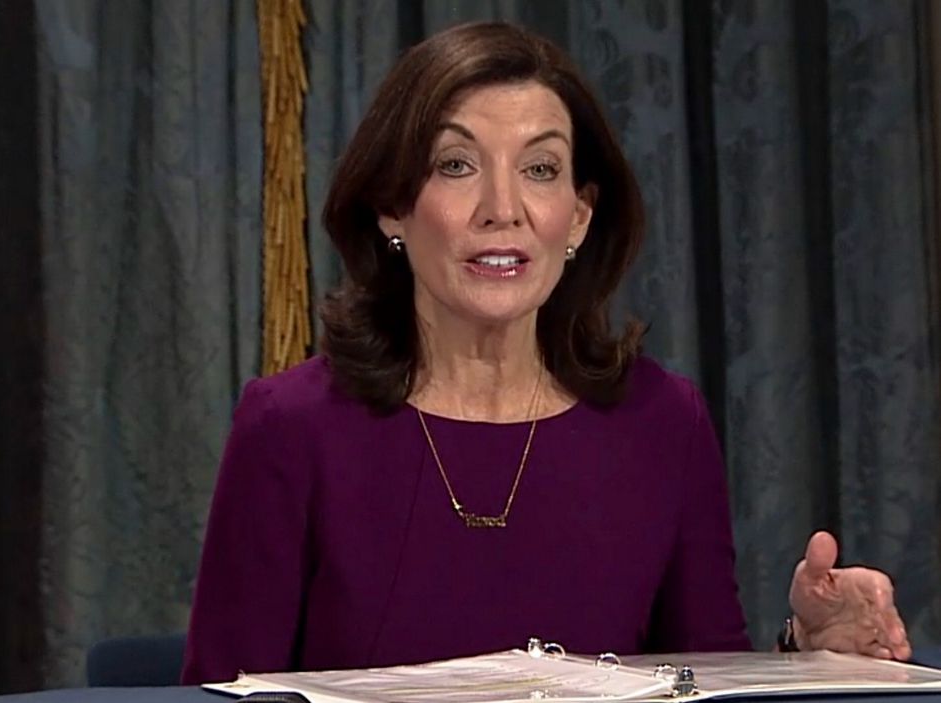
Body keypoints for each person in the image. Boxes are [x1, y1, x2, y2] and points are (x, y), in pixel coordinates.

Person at [180, 21, 911, 685]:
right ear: (392, 207)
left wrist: (808, 653)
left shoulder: (662, 422)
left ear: (579, 215)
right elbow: (220, 691)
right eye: (456, 164)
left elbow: (701, 680)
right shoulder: (291, 426)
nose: (504, 209)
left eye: (539, 170)